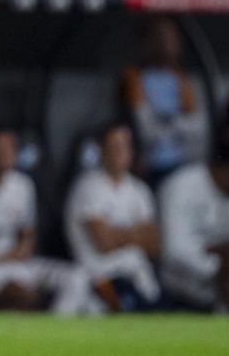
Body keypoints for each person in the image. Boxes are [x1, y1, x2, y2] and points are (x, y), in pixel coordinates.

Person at [0, 126, 92, 314]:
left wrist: (16, 255)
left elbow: (27, 236)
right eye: (1, 149)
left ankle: (55, 330)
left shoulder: (22, 185)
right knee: (21, 296)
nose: (8, 154)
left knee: (77, 277)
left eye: (12, 148)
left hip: (18, 263)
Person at [158, 120, 229, 313]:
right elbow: (174, 252)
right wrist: (219, 266)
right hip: (178, 296)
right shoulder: (183, 186)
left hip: (219, 299)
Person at [65, 121, 161, 311]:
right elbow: (104, 243)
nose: (120, 152)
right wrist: (136, 235)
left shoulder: (139, 190)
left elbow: (154, 245)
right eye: (114, 146)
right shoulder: (88, 186)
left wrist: (118, 234)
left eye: (124, 146)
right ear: (102, 150)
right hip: (98, 274)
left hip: (137, 273)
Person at [120, 17, 207, 188]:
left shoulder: (182, 80)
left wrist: (167, 121)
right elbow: (145, 129)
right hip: (146, 165)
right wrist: (174, 124)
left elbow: (196, 128)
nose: (167, 43)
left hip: (180, 163)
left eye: (171, 37)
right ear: (147, 42)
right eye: (160, 37)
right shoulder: (134, 77)